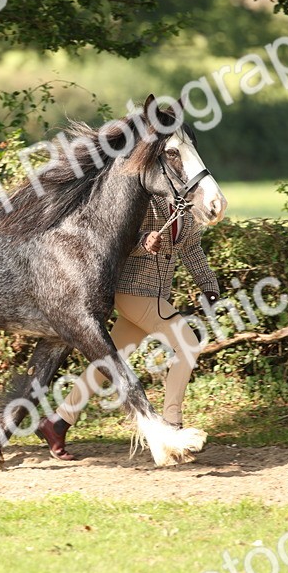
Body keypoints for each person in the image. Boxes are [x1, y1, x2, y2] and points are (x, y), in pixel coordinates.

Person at [36, 194, 219, 460]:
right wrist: (144, 241)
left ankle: (58, 422)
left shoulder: (186, 210)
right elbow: (118, 240)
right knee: (188, 344)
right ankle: (171, 424)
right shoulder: (147, 204)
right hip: (133, 292)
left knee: (109, 361)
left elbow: (192, 251)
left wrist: (209, 285)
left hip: (155, 296)